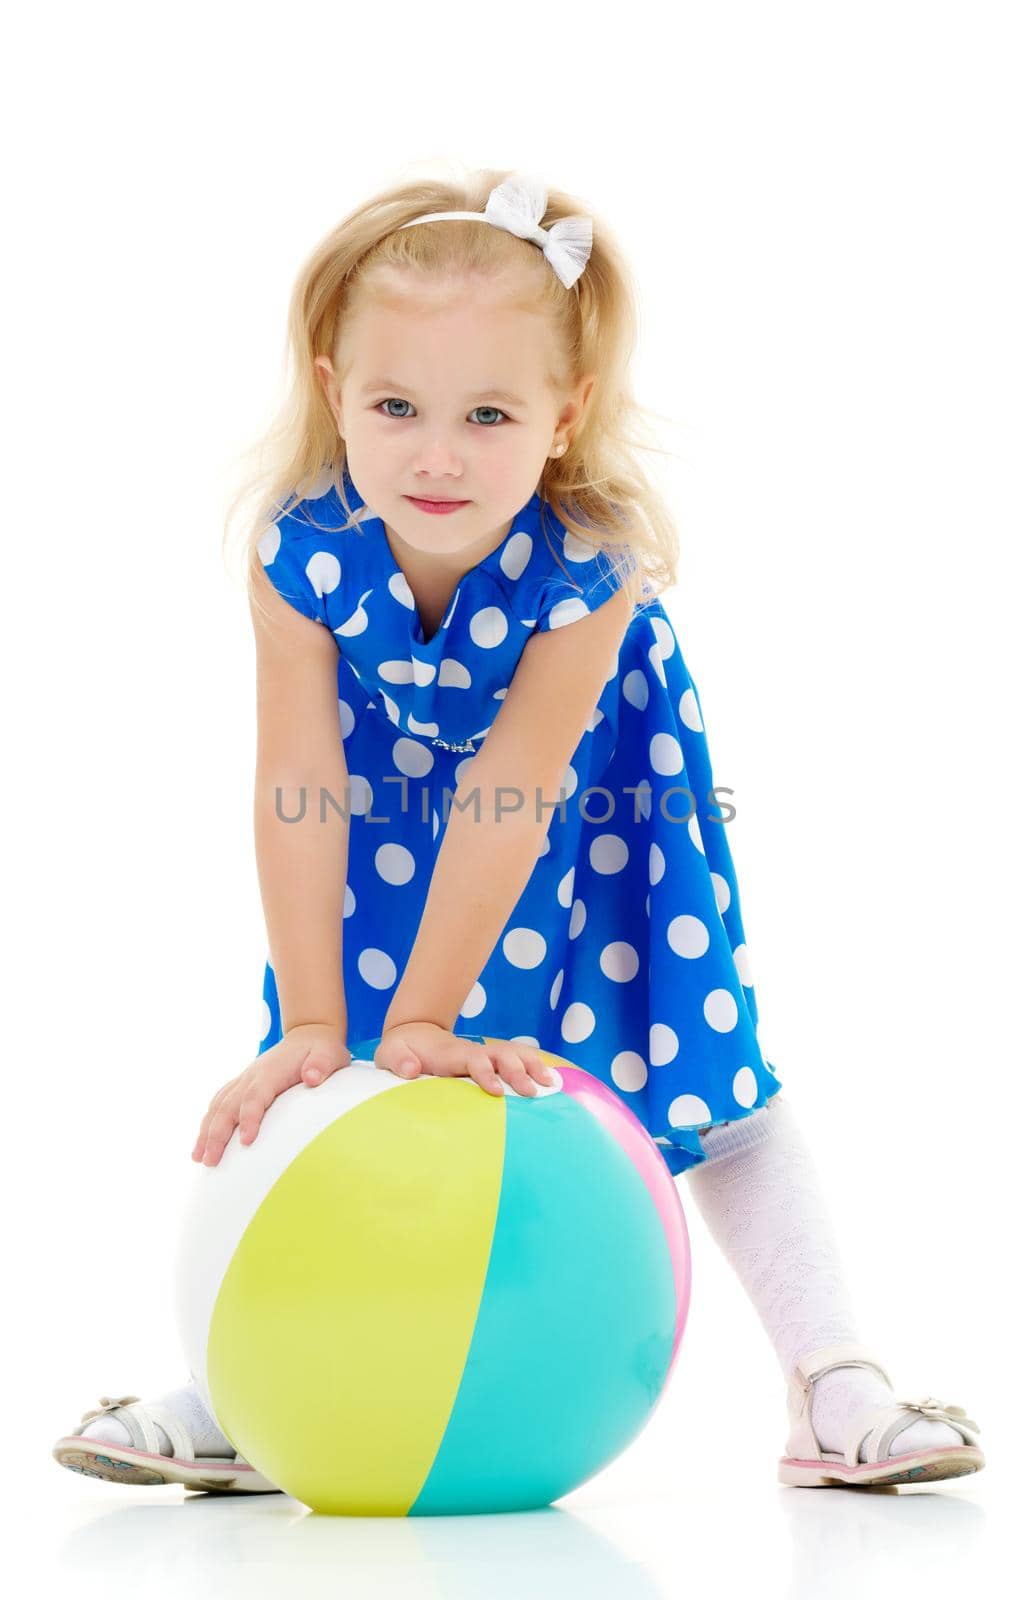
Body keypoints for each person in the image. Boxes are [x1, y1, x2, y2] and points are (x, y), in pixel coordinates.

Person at [53, 168, 984, 1494]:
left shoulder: (591, 564)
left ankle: (834, 1378)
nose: (438, 454)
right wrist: (321, 1021)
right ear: (334, 393)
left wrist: (429, 1011)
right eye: (397, 407)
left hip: (591, 803)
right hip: (376, 817)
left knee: (703, 1071)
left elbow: (515, 791)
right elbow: (294, 780)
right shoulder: (302, 551)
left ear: (565, 417)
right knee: (337, 1079)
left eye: (488, 413)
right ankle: (257, 1393)